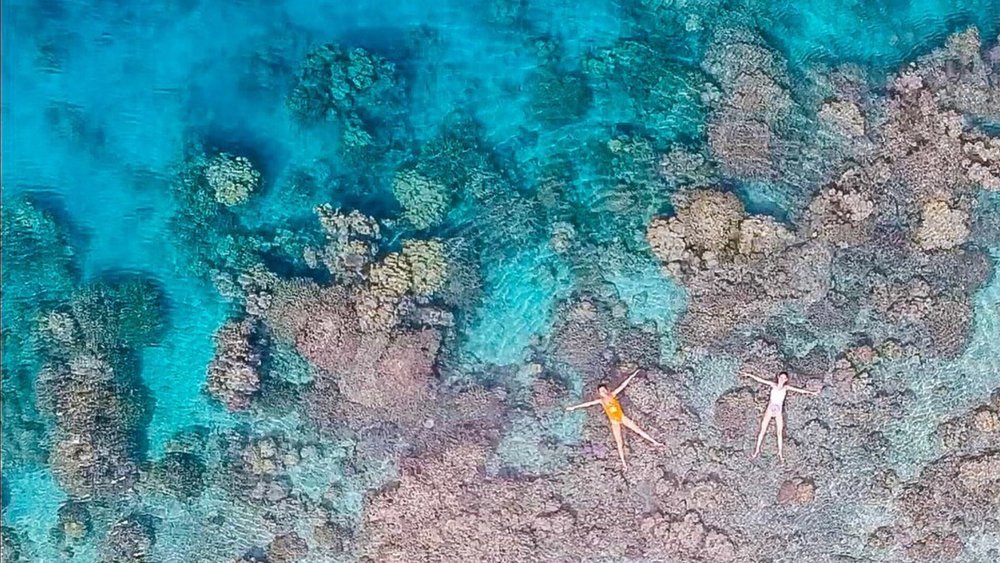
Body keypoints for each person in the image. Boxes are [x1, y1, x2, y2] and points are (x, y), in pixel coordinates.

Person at [566, 369, 661, 471]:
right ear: (600, 393)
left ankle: (655, 442)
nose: (603, 392)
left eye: (604, 390)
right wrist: (573, 407)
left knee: (638, 430)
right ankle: (624, 464)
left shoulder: (613, 394)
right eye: (601, 391)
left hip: (622, 417)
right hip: (614, 422)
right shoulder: (601, 401)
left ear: (607, 390)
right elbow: (587, 404)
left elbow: (622, 385)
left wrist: (632, 375)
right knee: (619, 442)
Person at [742, 371, 820, 462]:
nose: (782, 379)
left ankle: (780, 453)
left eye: (784, 378)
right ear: (778, 377)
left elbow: (799, 390)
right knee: (762, 430)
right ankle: (757, 450)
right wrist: (749, 375)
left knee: (779, 432)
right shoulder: (773, 385)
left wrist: (812, 393)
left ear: (786, 380)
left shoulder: (786, 388)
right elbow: (761, 380)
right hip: (770, 409)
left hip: (778, 411)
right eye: (781, 377)